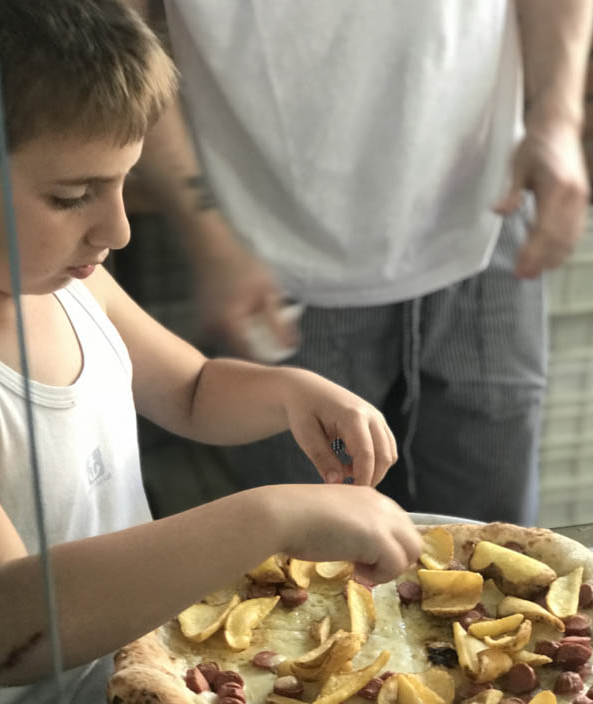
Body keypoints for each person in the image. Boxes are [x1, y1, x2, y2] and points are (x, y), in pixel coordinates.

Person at [0, 1, 422, 704]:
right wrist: (270, 515)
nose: (117, 226)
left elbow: (192, 389)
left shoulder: (71, 282)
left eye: (123, 182)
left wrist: (287, 392)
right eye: (72, 194)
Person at [131, 0, 593, 526]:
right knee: (311, 561)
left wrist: (557, 119)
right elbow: (121, 30)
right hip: (271, 252)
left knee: (499, 548)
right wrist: (212, 240)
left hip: (487, 208)